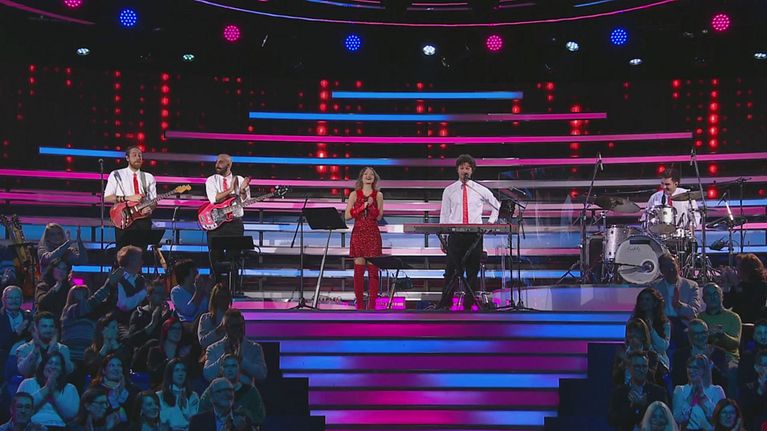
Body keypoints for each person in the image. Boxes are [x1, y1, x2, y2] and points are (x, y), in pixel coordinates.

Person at [435, 154, 500, 311]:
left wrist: (490, 223)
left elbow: (496, 206)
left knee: (472, 271)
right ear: (457, 170)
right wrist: (443, 236)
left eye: (468, 168)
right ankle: (445, 304)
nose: (465, 170)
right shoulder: (449, 190)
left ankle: (468, 305)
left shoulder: (479, 189)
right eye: (462, 168)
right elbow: (444, 214)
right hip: (455, 234)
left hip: (474, 235)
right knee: (451, 270)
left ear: (472, 171)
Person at [204, 154, 250, 281]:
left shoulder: (240, 180)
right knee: (215, 259)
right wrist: (231, 190)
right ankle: (216, 285)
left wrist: (242, 192)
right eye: (217, 162)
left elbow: (246, 201)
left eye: (221, 162)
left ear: (229, 165)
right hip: (217, 224)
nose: (217, 165)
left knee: (234, 259)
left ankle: (233, 286)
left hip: (235, 224)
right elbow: (214, 199)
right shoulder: (211, 180)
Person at [344, 167, 384, 310]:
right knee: (359, 273)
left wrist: (372, 206)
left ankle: (372, 306)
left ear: (374, 178)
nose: (368, 176)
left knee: (373, 272)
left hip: (372, 235)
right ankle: (360, 306)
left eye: (371, 174)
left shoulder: (378, 195)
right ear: (361, 177)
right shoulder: (354, 194)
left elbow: (379, 217)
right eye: (366, 174)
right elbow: (347, 216)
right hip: (359, 234)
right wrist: (362, 207)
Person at [104, 145, 157, 252]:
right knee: (123, 254)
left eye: (140, 155)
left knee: (141, 254)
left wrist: (150, 208)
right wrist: (128, 198)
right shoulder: (116, 174)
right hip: (124, 218)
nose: (138, 158)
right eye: (134, 155)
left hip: (143, 220)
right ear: (127, 158)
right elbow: (107, 198)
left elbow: (153, 200)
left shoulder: (148, 177)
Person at [16, 352, 79, 430]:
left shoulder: (70, 388)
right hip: (33, 426)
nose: (53, 367)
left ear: (62, 369)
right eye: (50, 363)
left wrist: (54, 391)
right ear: (43, 366)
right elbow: (19, 408)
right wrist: (46, 388)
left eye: (57, 364)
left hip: (60, 427)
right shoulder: (28, 383)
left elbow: (71, 415)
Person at [608, 351, 669, 431]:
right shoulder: (619, 393)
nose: (641, 370)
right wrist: (632, 407)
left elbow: (665, 418)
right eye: (637, 366)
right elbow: (612, 420)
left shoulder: (658, 392)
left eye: (644, 366)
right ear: (629, 368)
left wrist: (645, 406)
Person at [198, 354, 266, 426]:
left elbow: (260, 417)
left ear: (239, 369)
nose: (230, 369)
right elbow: (201, 413)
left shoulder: (250, 391)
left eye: (233, 366)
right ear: (221, 370)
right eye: (226, 366)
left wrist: (245, 414)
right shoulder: (212, 390)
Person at [653, 253, 703, 349]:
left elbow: (694, 311)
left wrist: (679, 305)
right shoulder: (655, 287)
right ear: (661, 270)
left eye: (672, 265)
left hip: (683, 324)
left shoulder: (691, 286)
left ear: (678, 266)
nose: (671, 269)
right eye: (666, 267)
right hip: (662, 324)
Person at [203, 309, 266, 385]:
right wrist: (224, 357)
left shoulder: (255, 348)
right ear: (225, 328)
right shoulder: (213, 349)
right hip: (222, 391)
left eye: (241, 325)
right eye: (234, 326)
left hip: (246, 390)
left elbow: (262, 374)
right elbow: (208, 375)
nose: (238, 329)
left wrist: (242, 361)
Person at [670, 319, 729, 389]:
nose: (700, 336)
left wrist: (708, 361)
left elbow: (724, 382)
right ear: (689, 335)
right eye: (696, 334)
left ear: (708, 333)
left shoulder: (719, 353)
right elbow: (677, 382)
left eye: (703, 332)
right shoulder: (679, 355)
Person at [672, 354, 726, 430]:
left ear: (704, 370)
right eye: (689, 367)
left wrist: (703, 398)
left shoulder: (716, 390)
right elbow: (677, 418)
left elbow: (720, 418)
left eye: (695, 368)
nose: (691, 371)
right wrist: (689, 399)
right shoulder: (680, 390)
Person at [15, 311, 74, 378]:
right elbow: (23, 372)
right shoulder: (24, 349)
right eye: (44, 326)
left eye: (51, 326)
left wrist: (55, 351)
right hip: (34, 383)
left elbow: (68, 371)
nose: (48, 330)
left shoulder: (63, 349)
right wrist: (35, 351)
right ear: (36, 328)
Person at [87, 354, 138, 429]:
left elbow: (134, 417)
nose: (116, 369)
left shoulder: (132, 390)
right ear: (104, 370)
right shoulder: (95, 390)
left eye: (119, 366)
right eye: (112, 365)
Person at [697, 283, 741, 366]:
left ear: (722, 297)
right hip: (705, 359)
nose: (712, 297)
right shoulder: (699, 318)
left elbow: (735, 345)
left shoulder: (733, 317)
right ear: (703, 299)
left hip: (729, 359)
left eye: (715, 294)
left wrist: (721, 335)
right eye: (708, 294)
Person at [188, 378, 257, 431]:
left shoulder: (245, 420)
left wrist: (244, 429)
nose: (227, 394)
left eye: (229, 390)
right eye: (220, 391)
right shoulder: (198, 421)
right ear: (211, 397)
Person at [632, 288, 671, 375]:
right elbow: (629, 342)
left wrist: (651, 330)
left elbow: (663, 347)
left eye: (647, 299)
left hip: (659, 361)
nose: (644, 302)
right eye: (642, 299)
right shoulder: (634, 321)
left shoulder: (664, 323)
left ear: (655, 303)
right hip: (638, 358)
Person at [146, 317, 195, 387]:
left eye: (179, 329)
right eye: (173, 328)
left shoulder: (184, 352)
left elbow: (193, 374)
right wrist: (170, 361)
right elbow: (154, 375)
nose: (177, 332)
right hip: (159, 388)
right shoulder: (155, 351)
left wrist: (185, 359)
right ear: (166, 330)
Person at [613, 318, 661, 385]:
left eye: (635, 335)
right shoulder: (622, 354)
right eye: (630, 336)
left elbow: (650, 377)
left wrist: (629, 362)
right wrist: (623, 364)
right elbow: (615, 379)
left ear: (643, 336)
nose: (632, 339)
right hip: (624, 390)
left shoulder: (652, 356)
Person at [127, 280, 173, 350]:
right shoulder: (139, 314)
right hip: (144, 352)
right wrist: (152, 324)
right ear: (149, 297)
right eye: (158, 293)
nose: (162, 296)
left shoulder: (168, 315)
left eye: (163, 293)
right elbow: (132, 340)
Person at [82, 314, 130, 380]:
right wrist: (105, 346)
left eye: (117, 327)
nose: (117, 330)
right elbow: (92, 370)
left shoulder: (124, 348)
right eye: (113, 327)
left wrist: (115, 345)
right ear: (103, 330)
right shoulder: (90, 351)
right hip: (98, 384)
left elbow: (125, 367)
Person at [156, 358, 199, 431]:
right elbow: (161, 420)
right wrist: (176, 407)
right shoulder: (159, 396)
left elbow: (195, 422)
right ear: (170, 374)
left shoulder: (193, 396)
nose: (181, 374)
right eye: (176, 370)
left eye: (183, 370)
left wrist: (185, 408)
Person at [0, 286, 32, 381]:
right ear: (3, 300)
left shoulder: (28, 317)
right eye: (10, 298)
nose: (14, 301)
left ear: (22, 300)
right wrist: (17, 332)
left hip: (25, 360)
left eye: (17, 297)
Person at [724, 253, 767, 323]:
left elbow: (750, 306)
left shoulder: (761, 285)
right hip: (737, 322)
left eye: (739, 266)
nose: (736, 269)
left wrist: (736, 284)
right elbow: (726, 305)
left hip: (754, 323)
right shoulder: (739, 284)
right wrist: (727, 285)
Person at [197, 283, 231, 350]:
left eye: (226, 296)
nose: (224, 299)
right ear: (215, 299)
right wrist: (219, 329)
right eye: (220, 297)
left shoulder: (235, 317)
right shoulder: (206, 318)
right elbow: (203, 342)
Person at [740, 349, 767, 431]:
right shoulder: (748, 388)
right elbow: (747, 414)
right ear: (756, 367)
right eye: (765, 365)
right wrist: (760, 390)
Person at [739, 319, 767, 389]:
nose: (763, 337)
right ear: (754, 336)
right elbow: (745, 383)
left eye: (766, 333)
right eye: (759, 333)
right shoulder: (747, 357)